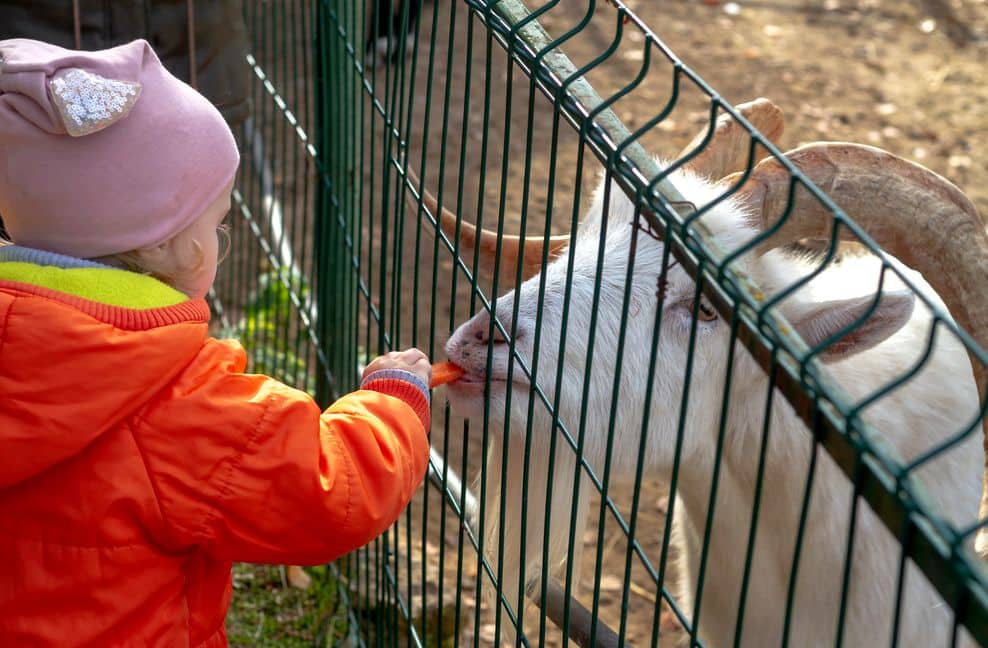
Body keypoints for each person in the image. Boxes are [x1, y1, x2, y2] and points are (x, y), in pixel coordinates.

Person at [0, 37, 432, 646]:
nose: (220, 237)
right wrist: (393, 402)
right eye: (217, 221)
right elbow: (327, 492)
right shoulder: (176, 402)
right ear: (163, 246)